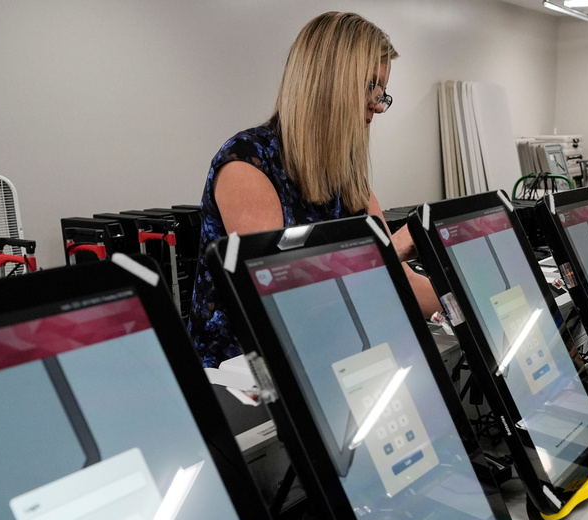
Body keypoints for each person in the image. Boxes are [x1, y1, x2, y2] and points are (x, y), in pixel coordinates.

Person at [187, 11, 440, 367]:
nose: (379, 105)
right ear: (327, 83)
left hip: (326, 358)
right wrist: (385, 254)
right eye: (371, 86)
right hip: (241, 379)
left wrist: (474, 301)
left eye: (382, 90)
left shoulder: (347, 176)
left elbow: (402, 282)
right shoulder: (247, 163)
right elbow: (286, 302)